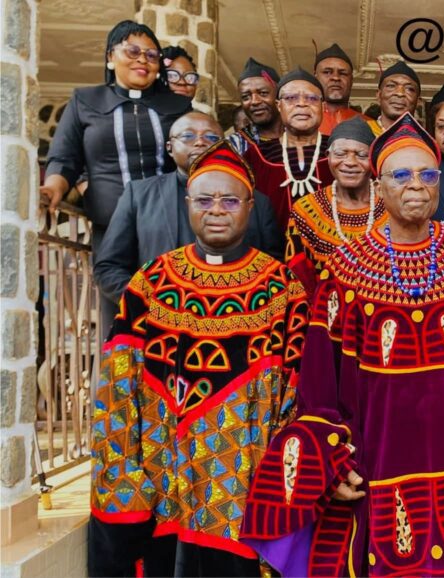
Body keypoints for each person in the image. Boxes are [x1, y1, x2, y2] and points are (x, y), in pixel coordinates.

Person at [240, 112, 444, 577]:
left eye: (427, 174)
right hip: (378, 462)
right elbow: (320, 380)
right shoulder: (346, 265)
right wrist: (330, 458)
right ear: (380, 186)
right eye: (401, 174)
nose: (416, 184)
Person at [89, 140, 308, 577]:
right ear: (188, 204)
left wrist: (272, 481)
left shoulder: (282, 289)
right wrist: (125, 472)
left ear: (250, 206)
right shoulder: (150, 282)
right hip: (160, 478)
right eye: (204, 199)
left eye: (230, 199)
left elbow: (296, 392)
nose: (217, 209)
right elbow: (118, 385)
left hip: (244, 485)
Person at [41, 20, 191, 337]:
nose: (142, 59)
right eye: (132, 50)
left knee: (171, 311)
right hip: (112, 230)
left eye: (152, 55)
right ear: (111, 57)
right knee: (120, 317)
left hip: (169, 226)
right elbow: (64, 158)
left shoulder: (177, 106)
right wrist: (53, 188)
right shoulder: (85, 101)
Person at [95, 113, 282, 303]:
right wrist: (149, 303)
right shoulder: (139, 194)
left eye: (211, 137)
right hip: (156, 321)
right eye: (188, 136)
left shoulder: (256, 200)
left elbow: (274, 266)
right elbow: (109, 267)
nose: (200, 142)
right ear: (169, 147)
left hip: (239, 316)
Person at [284, 116, 386, 293]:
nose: (350, 162)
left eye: (361, 155)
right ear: (328, 157)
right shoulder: (306, 210)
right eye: (340, 154)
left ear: (373, 160)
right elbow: (298, 278)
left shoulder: (391, 206)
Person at [241, 67, 331, 231]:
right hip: (273, 253)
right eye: (291, 98)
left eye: (311, 98)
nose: (302, 104)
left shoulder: (339, 151)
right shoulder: (256, 157)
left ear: (323, 106)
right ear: (279, 106)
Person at [230, 57, 284, 153]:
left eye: (263, 93)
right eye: (246, 97)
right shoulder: (234, 145)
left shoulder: (302, 135)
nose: (254, 101)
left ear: (279, 95)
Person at [314, 43, 367, 135]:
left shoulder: (369, 125)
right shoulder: (299, 121)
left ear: (351, 81)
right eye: (327, 72)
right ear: (315, 78)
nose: (335, 77)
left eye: (343, 73)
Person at [369, 61, 420, 135]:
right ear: (379, 95)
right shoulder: (360, 133)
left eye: (409, 89)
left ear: (418, 101)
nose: (400, 93)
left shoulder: (424, 142)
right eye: (391, 86)